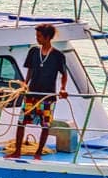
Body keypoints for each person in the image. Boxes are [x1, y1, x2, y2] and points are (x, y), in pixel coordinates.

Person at [9, 23, 69, 159]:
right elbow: (30, 69)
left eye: (39, 36)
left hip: (47, 96)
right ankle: (17, 151)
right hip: (31, 94)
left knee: (45, 125)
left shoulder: (58, 56)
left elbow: (64, 74)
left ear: (47, 37)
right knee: (21, 122)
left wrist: (63, 88)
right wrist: (25, 83)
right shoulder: (34, 51)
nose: (37, 38)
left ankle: (38, 153)